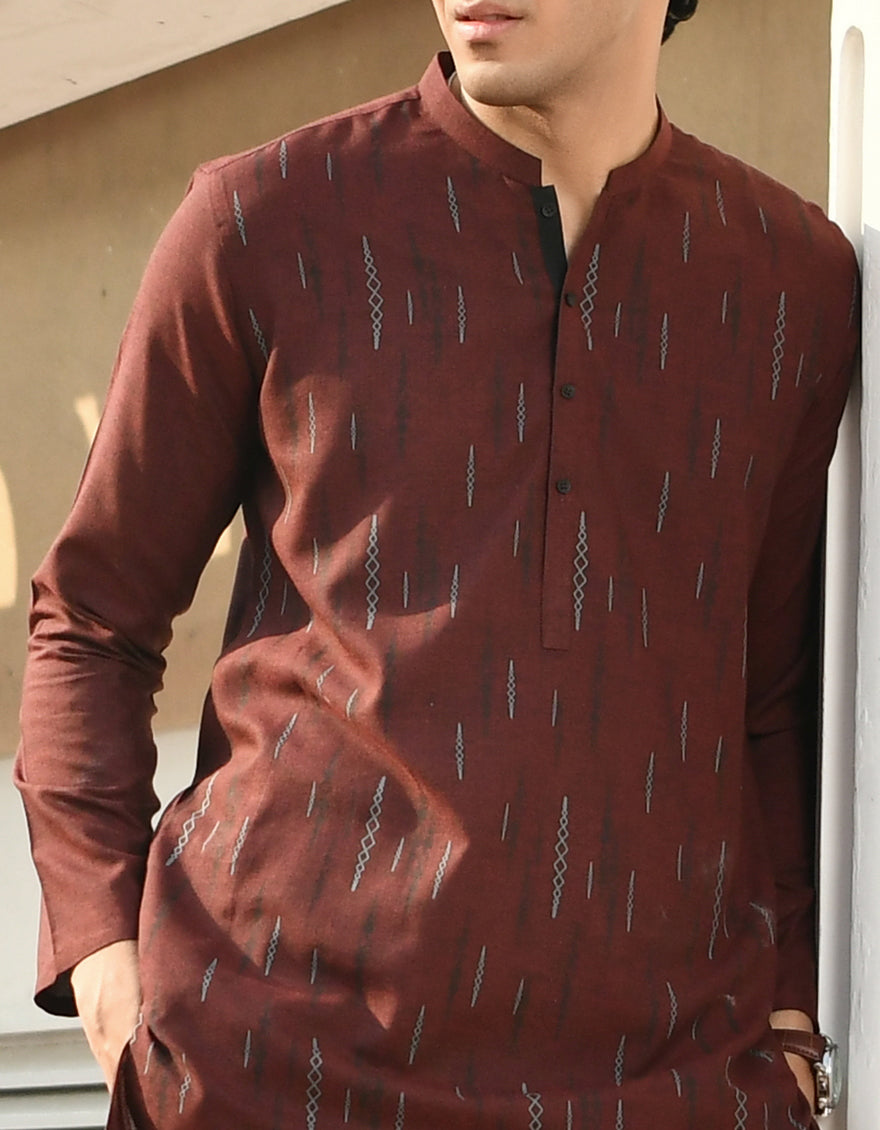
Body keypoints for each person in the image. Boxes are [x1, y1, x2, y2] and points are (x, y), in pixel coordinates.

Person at [16, 1, 859, 1127]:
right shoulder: (263, 219)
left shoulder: (791, 280)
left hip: (667, 1083)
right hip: (267, 1073)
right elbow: (91, 619)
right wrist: (109, 974)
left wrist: (792, 1022)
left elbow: (776, 700)